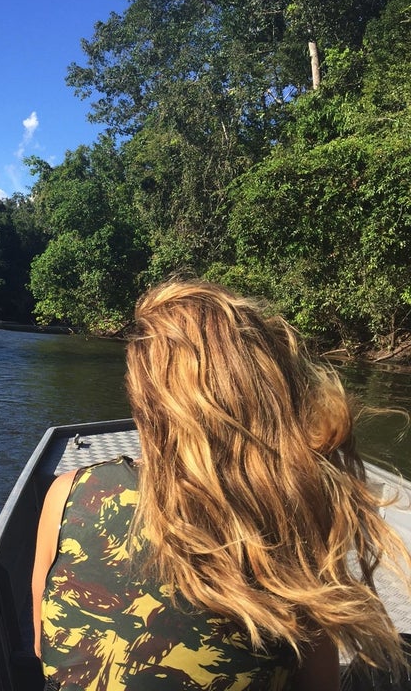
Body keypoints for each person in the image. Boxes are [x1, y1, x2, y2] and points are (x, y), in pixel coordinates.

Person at [32, 278, 410, 690]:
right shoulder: (288, 516)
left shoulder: (67, 493)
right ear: (264, 388)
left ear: (142, 395)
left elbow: (41, 646)